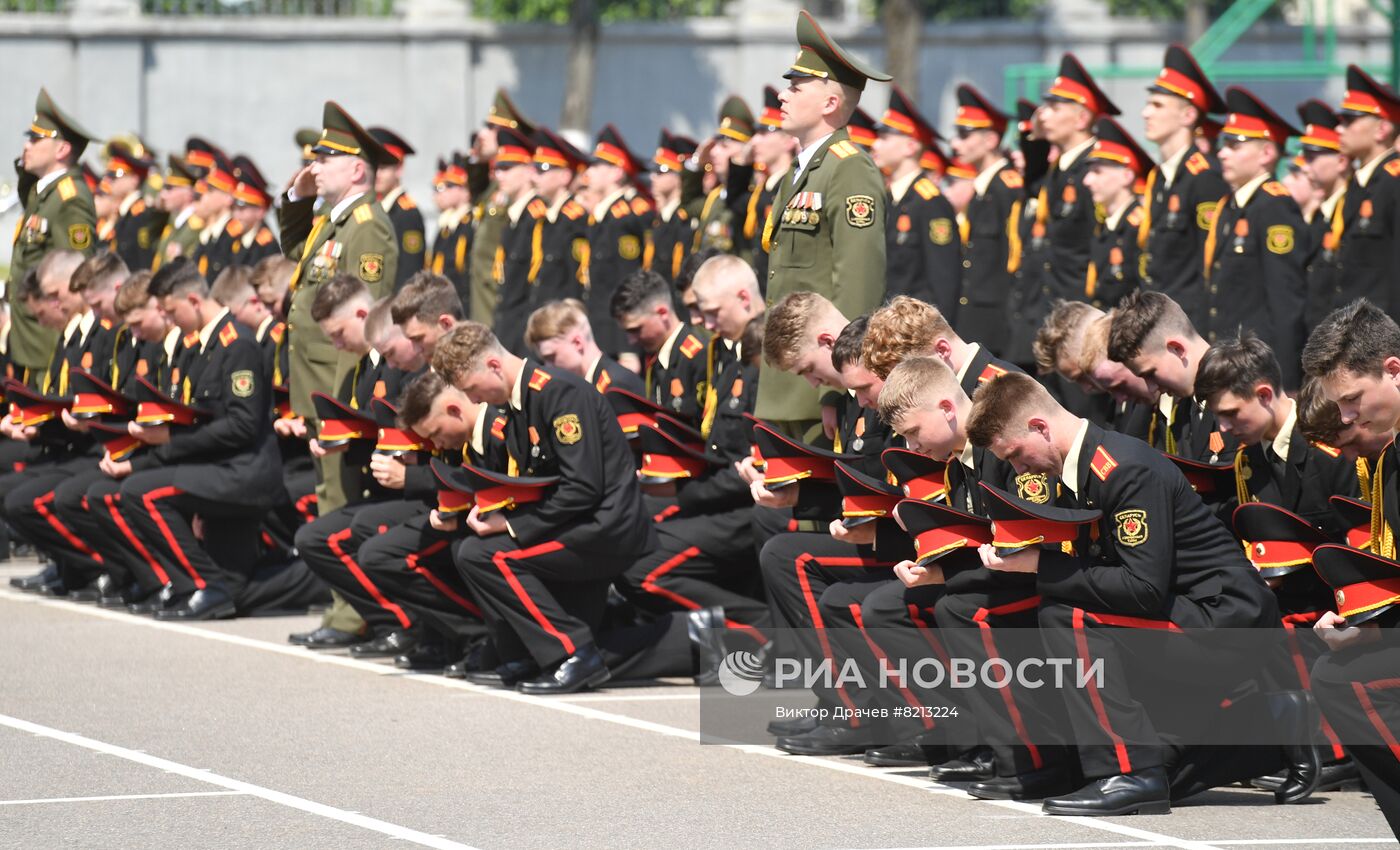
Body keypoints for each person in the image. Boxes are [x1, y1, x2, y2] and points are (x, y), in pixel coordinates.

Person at [967, 371, 1317, 816]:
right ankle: (1272, 723)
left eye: (1016, 455)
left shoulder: (1121, 468)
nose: (1019, 469)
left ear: (1040, 427)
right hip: (1192, 614)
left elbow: (1143, 589)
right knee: (1169, 769)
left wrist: (1042, 564)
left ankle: (1127, 771)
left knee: (1066, 616)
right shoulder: (1082, 467)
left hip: (1226, 620)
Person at [431, 322, 655, 694]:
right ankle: (530, 653)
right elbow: (535, 483)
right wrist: (492, 508)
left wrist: (511, 524)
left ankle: (576, 653)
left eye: (472, 389)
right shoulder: (520, 404)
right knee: (471, 548)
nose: (475, 401)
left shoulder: (558, 394)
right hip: (574, 522)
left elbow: (582, 487)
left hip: (604, 527)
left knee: (484, 556)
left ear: (493, 366)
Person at [115, 260, 289, 620]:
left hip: (242, 474)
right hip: (215, 469)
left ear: (193, 300)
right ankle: (206, 587)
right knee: (240, 591)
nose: (169, 319)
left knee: (141, 492)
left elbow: (242, 426)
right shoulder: (201, 346)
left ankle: (202, 586)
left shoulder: (237, 344)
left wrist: (169, 440)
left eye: (171, 310)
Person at [756, 9, 891, 437]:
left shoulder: (848, 169)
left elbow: (857, 284)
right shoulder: (801, 171)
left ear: (830, 103)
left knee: (819, 502)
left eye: (796, 87)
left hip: (821, 384)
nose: (783, 96)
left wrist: (838, 387)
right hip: (790, 377)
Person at [1006, 54, 1120, 367]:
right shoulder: (1059, 170)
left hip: (1081, 321)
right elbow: (1032, 175)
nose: (1044, 116)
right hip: (1051, 318)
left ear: (1081, 119)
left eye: (1055, 108)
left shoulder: (1093, 172)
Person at [1204, 87, 1307, 389]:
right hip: (1230, 366)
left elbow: (1286, 301)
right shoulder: (1233, 207)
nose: (1222, 152)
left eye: (1235, 144)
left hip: (1258, 374)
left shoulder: (1274, 206)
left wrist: (1285, 384)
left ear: (1266, 153)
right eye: (1223, 144)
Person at [8, 89, 98, 384]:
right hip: (31, 336)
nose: (27, 146)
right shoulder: (43, 193)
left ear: (61, 150)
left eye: (35, 139)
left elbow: (77, 270)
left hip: (48, 341)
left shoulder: (70, 199)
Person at [1137, 44, 1229, 325]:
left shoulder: (1204, 177)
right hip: (1160, 320)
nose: (1145, 113)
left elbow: (1210, 262)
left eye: (1157, 105)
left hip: (1189, 324)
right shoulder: (1162, 177)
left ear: (1188, 116)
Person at [1106, 289, 1234, 461]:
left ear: (1177, 349)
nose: (1151, 388)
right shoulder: (1181, 412)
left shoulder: (1241, 392)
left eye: (1151, 374)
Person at [874, 84, 960, 317]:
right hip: (888, 324)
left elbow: (943, 280)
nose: (875, 145)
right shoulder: (889, 198)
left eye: (884, 137)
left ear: (910, 146)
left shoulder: (930, 202)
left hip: (916, 330)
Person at [950, 84, 1023, 358]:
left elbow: (1014, 258)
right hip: (976, 316)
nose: (956, 143)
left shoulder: (1006, 188)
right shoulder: (983, 191)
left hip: (998, 320)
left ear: (991, 140)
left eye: (964, 134)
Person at [1329, 65, 1400, 315]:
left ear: (1382, 129)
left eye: (1349, 120)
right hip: (1356, 334)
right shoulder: (1359, 185)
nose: (1339, 129)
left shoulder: (1394, 182)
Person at [611, 269, 711, 424]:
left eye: (636, 329)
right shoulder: (657, 361)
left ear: (662, 313)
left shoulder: (699, 356)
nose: (631, 340)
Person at [1082, 119, 1150, 311]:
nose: (1087, 180)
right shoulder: (1105, 225)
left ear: (1126, 176)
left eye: (1097, 172)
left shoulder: (1139, 227)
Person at [1295, 98, 1350, 331]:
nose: (1305, 167)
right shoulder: (1321, 216)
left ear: (1341, 160)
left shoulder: (1350, 213)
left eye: (1312, 157)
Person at [523, 299, 642, 395]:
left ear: (577, 343)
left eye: (551, 357)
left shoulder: (615, 387)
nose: (547, 367)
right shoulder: (586, 386)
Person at [369, 126, 427, 290]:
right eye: (374, 167)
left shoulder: (407, 214)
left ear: (399, 169)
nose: (377, 174)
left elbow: (410, 273)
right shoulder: (376, 208)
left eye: (384, 168)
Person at [429, 153, 473, 304]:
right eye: (435, 188)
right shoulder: (446, 225)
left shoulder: (471, 224)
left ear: (463, 189)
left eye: (443, 188)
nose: (437, 194)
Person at [151, 155, 204, 271]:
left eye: (170, 188)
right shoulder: (175, 223)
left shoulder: (195, 228)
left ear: (188, 192)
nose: (163, 194)